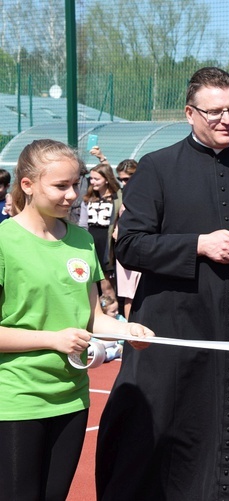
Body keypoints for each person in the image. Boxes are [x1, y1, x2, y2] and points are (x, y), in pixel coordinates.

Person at [95, 67, 229, 500]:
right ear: (190, 113)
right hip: (177, 324)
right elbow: (130, 246)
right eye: (215, 112)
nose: (227, 120)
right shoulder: (157, 168)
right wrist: (198, 245)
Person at [0, 139, 151, 501]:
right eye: (60, 186)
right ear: (27, 185)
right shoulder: (4, 241)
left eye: (76, 184)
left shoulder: (82, 241)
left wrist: (127, 329)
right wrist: (52, 340)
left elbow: (93, 318)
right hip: (16, 398)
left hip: (71, 399)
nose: (72, 195)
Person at [84, 163, 121, 297]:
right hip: (91, 238)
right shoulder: (89, 198)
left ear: (106, 179)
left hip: (107, 240)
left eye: (96, 179)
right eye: (91, 178)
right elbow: (83, 223)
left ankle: (111, 310)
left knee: (107, 283)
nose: (92, 182)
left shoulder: (116, 198)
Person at [112, 159, 141, 318]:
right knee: (129, 294)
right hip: (126, 248)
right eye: (121, 179)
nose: (123, 183)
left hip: (142, 247)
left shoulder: (147, 193)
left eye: (127, 179)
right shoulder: (123, 194)